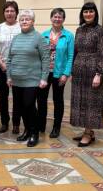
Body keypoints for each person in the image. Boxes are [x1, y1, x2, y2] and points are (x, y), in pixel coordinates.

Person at [7, 9, 49, 147]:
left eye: (27, 19)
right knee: (21, 108)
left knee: (29, 106)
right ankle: (26, 130)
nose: (24, 21)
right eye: (22, 19)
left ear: (33, 22)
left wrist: (44, 78)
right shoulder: (16, 38)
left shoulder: (39, 37)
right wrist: (9, 76)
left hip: (32, 80)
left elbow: (45, 59)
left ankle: (34, 133)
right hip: (17, 80)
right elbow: (9, 59)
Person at [70, 2, 103, 147]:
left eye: (91, 11)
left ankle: (88, 133)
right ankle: (87, 130)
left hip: (93, 70)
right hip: (79, 69)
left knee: (91, 101)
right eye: (85, 12)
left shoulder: (101, 31)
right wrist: (72, 70)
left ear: (95, 13)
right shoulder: (79, 30)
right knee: (80, 101)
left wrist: (99, 73)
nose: (88, 14)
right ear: (82, 14)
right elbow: (75, 51)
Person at [37, 8, 74, 138]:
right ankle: (41, 125)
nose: (57, 19)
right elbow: (40, 55)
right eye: (55, 17)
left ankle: (56, 127)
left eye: (60, 17)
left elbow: (70, 56)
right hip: (45, 73)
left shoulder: (68, 36)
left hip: (59, 74)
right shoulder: (44, 34)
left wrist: (66, 74)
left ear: (63, 19)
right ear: (51, 18)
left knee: (58, 101)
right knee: (41, 100)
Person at [0, 1, 22, 134]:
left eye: (12, 11)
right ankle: (5, 122)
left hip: (18, 67)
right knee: (3, 96)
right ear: (4, 13)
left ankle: (16, 123)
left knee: (17, 96)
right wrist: (1, 64)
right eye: (7, 11)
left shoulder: (21, 27)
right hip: (2, 66)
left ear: (16, 13)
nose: (9, 13)